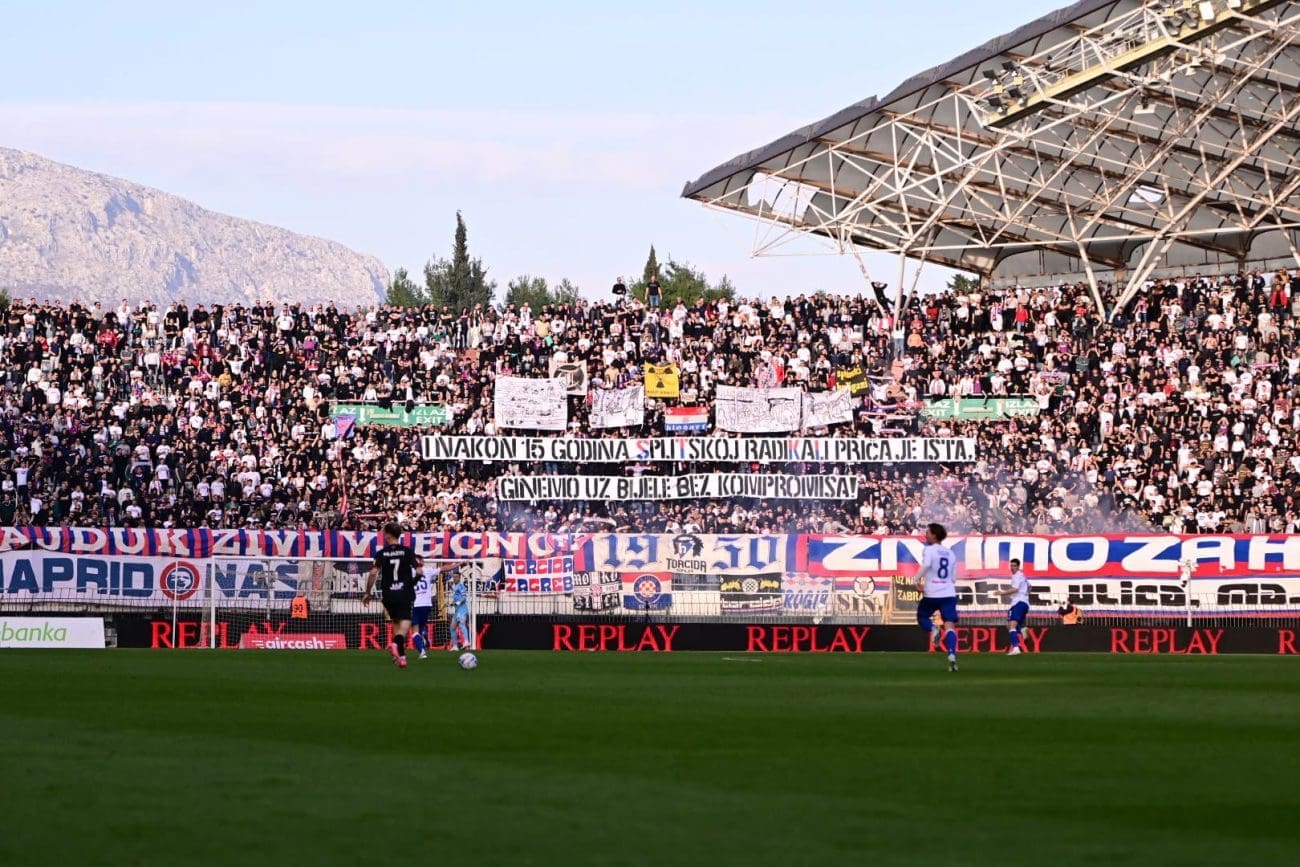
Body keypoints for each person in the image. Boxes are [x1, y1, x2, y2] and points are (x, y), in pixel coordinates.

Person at [364, 523, 421, 668]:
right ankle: (396, 643)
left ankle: (400, 657)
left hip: (388, 594)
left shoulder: (381, 553)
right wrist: (412, 583)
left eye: (384, 533)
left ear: (388, 535)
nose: (383, 535)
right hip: (404, 592)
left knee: (396, 622)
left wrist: (367, 592)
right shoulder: (407, 551)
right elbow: (419, 571)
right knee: (406, 622)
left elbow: (373, 573)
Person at [914, 522, 960, 671]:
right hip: (948, 593)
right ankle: (951, 655)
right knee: (949, 625)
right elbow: (953, 578)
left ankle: (933, 628)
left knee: (922, 617)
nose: (925, 535)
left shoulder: (928, 550)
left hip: (932, 593)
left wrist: (916, 580)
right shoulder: (951, 553)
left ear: (934, 535)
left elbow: (927, 565)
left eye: (927, 532)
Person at [997, 558, 1030, 655]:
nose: (1012, 567)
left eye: (1014, 566)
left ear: (1018, 566)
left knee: (1012, 626)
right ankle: (1023, 630)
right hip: (1024, 604)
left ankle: (1016, 648)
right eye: (1011, 566)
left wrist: (1002, 593)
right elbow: (1029, 586)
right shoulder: (1022, 576)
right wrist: (1026, 594)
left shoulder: (1018, 576)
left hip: (1018, 603)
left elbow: (1015, 589)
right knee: (1009, 626)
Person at [448, 570, 470, 651]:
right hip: (457, 611)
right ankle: (455, 646)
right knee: (452, 628)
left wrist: (457, 603)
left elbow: (464, 598)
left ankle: (466, 641)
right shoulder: (455, 587)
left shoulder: (461, 586)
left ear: (459, 578)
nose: (454, 578)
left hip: (462, 610)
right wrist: (451, 603)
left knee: (462, 624)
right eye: (453, 577)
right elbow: (456, 598)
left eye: (456, 577)